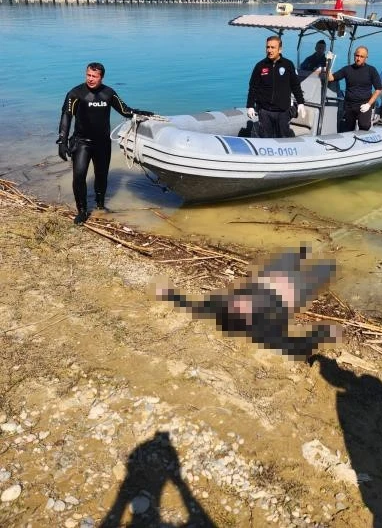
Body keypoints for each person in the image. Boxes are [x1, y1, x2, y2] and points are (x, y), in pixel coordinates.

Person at [156, 245, 341, 360]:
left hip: (268, 279)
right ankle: (331, 260)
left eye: (236, 304)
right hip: (293, 291)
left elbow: (191, 306)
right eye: (241, 308)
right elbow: (294, 348)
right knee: (326, 268)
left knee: (297, 253)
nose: (238, 302)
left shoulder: (221, 306)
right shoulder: (264, 330)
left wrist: (169, 295)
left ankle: (306, 250)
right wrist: (323, 333)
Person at [57, 62, 154, 225]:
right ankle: (82, 211)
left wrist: (140, 113)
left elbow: (124, 110)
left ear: (101, 77)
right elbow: (67, 116)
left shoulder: (108, 93)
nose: (90, 79)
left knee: (101, 176)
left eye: (94, 76)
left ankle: (100, 205)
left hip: (102, 143)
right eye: (88, 75)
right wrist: (62, 140)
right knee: (79, 175)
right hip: (81, 143)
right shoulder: (75, 93)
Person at [246, 36, 305, 138]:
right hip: (264, 110)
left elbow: (295, 85)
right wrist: (250, 106)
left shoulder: (288, 65)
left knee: (283, 137)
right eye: (267, 47)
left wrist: (300, 103)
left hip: (283, 111)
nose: (269, 50)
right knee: (265, 138)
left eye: (273, 47)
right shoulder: (260, 66)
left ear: (280, 49)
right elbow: (253, 87)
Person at [328, 45, 382, 132]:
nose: (358, 58)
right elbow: (331, 78)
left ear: (366, 58)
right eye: (357, 55)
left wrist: (368, 104)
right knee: (348, 128)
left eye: (361, 56)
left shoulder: (371, 70)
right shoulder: (347, 69)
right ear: (354, 55)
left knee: (364, 126)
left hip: (364, 104)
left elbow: (378, 89)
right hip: (349, 105)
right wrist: (327, 63)